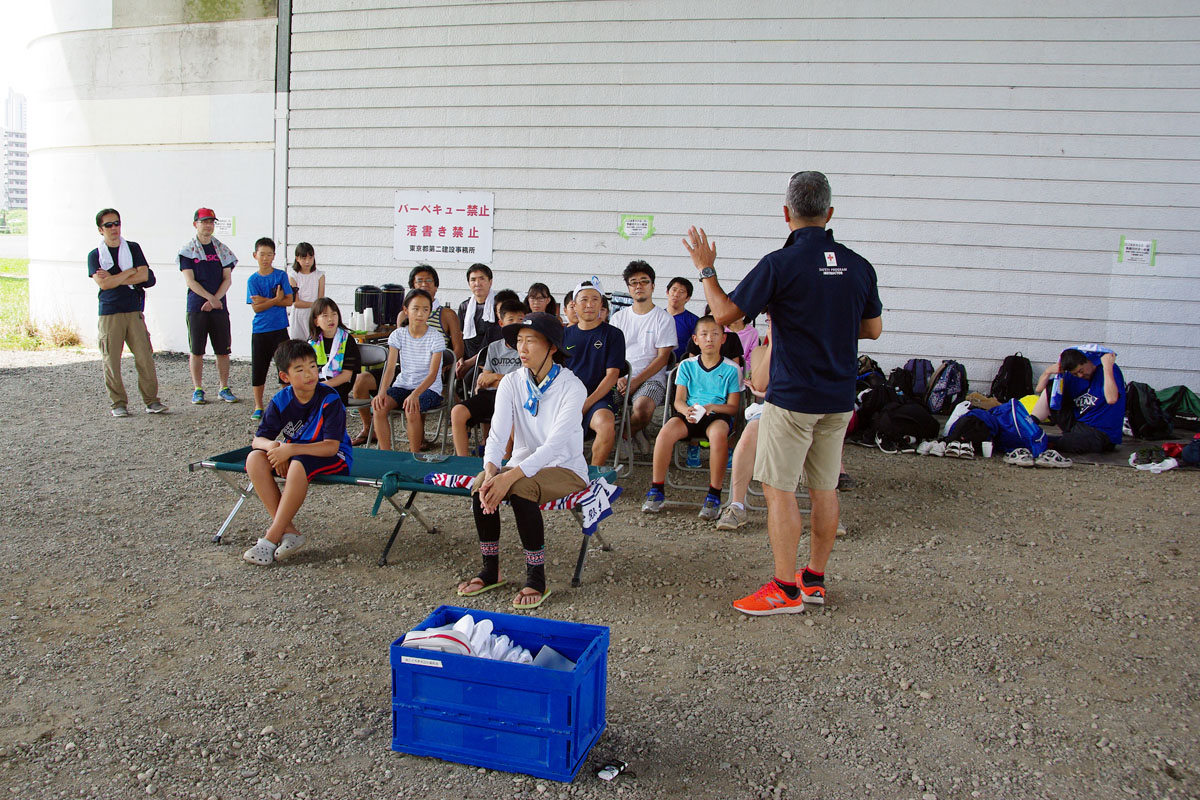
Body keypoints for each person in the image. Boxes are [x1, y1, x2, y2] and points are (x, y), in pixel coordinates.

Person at [683, 170, 882, 615]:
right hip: (838, 397)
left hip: (792, 397)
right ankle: (814, 580)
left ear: (786, 213)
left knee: (779, 490)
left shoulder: (780, 263)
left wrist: (706, 269)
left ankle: (785, 588)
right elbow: (872, 328)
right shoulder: (858, 265)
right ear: (829, 213)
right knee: (825, 488)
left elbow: (727, 316)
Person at [455, 312, 588, 611]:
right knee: (481, 485)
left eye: (531, 341)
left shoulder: (572, 387)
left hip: (566, 467)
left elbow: (554, 447)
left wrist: (509, 476)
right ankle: (491, 570)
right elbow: (498, 435)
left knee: (520, 488)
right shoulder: (512, 382)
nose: (522, 349)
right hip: (524, 464)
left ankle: (536, 577)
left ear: (552, 347)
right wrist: (491, 470)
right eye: (519, 341)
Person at [242, 340, 353, 566]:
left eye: (313, 366)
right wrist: (275, 448)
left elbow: (331, 446)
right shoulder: (281, 399)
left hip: (334, 456)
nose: (310, 374)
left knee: (298, 463)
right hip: (295, 454)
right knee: (255, 458)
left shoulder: (329, 398)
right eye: (300, 370)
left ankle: (272, 536)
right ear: (285, 377)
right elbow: (258, 440)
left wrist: (290, 450)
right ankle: (289, 531)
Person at [642, 316, 741, 520]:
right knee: (665, 434)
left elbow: (733, 407)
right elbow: (678, 400)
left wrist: (712, 407)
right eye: (704, 335)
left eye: (715, 334)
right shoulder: (687, 365)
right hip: (690, 413)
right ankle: (656, 490)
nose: (709, 339)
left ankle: (714, 494)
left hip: (717, 415)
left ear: (723, 338)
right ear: (695, 339)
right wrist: (686, 410)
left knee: (718, 436)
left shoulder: (732, 369)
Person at [86, 208, 167, 416]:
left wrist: (117, 278)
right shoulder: (95, 256)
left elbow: (144, 275)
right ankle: (118, 404)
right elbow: (103, 285)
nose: (114, 228)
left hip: (133, 310)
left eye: (117, 223)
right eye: (108, 225)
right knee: (111, 360)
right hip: (110, 313)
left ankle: (152, 401)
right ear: (100, 229)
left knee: (145, 357)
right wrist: (130, 272)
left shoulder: (133, 248)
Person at [610, 260, 677, 455]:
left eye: (644, 281)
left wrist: (636, 380)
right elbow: (612, 354)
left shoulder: (663, 319)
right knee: (600, 405)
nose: (639, 286)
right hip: (619, 379)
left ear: (653, 286)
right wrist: (618, 379)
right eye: (633, 282)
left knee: (643, 409)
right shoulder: (618, 318)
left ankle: (622, 435)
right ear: (629, 288)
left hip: (650, 380)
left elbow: (663, 358)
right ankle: (635, 432)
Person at [562, 278, 626, 467]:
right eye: (584, 300)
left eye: (595, 300)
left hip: (600, 397)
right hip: (567, 397)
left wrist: (585, 404)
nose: (589, 305)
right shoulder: (563, 335)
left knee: (606, 426)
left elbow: (612, 376)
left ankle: (593, 476)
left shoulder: (613, 335)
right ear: (573, 305)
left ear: (601, 304)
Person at [451, 299, 526, 456]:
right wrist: (494, 379)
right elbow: (485, 377)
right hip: (490, 395)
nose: (516, 323)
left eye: (520, 319)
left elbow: (523, 381)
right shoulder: (494, 347)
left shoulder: (527, 348)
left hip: (514, 398)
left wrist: (496, 377)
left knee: (507, 420)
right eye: (510, 320)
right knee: (457, 411)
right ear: (501, 323)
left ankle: (503, 465)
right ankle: (462, 462)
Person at [179, 207, 237, 405]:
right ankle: (198, 388)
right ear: (196, 224)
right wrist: (209, 298)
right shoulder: (187, 251)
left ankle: (224, 386)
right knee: (197, 350)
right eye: (204, 221)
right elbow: (190, 281)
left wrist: (216, 300)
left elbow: (227, 278)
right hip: (197, 306)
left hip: (218, 306)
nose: (208, 225)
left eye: (211, 221)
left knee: (222, 349)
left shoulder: (222, 249)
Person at [373, 289, 444, 451]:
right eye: (415, 309)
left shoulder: (435, 337)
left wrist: (415, 394)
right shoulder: (398, 335)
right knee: (379, 406)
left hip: (429, 389)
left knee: (412, 408)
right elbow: (390, 368)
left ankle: (414, 454)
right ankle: (386, 454)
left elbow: (433, 374)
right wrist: (382, 392)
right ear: (406, 310)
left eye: (425, 309)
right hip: (403, 385)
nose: (420, 314)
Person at [1031, 347, 1125, 455]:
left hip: (1100, 432)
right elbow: (1040, 389)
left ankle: (1041, 440)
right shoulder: (1073, 376)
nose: (1080, 375)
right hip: (1077, 424)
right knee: (1053, 388)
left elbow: (1112, 399)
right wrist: (1047, 372)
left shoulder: (1108, 370)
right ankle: (1030, 425)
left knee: (1071, 443)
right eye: (1075, 374)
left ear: (1088, 360)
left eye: (1081, 371)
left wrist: (1108, 367)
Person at [246, 237, 294, 421]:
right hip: (260, 329)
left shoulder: (280, 275)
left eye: (269, 254)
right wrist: (275, 300)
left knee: (284, 365)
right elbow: (256, 307)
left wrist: (265, 301)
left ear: (274, 256)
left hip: (280, 327)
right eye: (262, 254)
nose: (265, 258)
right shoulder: (253, 279)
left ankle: (286, 402)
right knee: (259, 367)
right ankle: (258, 405)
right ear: (255, 255)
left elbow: (289, 300)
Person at [308, 297, 360, 405]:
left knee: (321, 398)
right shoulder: (312, 342)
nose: (330, 319)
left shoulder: (347, 340)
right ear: (316, 321)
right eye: (325, 316)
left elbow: (346, 376)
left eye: (334, 314)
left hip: (339, 386)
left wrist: (323, 385)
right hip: (316, 383)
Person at [456, 263, 495, 381]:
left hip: (489, 358)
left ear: (490, 281)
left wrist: (470, 363)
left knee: (469, 379)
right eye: (473, 280)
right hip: (467, 357)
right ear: (469, 283)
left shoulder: (497, 306)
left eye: (481, 279)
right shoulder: (464, 307)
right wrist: (460, 359)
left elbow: (495, 342)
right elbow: (460, 335)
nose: (477, 283)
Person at [287, 242, 324, 340]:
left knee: (314, 341)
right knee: (297, 344)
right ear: (297, 258)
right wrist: (314, 304)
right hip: (298, 315)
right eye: (304, 258)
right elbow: (296, 303)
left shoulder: (319, 275)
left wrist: (315, 306)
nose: (307, 261)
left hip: (313, 314)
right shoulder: (294, 276)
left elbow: (320, 299)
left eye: (310, 258)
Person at [666, 276, 699, 362]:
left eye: (682, 292)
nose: (676, 294)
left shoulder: (694, 321)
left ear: (687, 298)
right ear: (667, 292)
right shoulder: (656, 316)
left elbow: (696, 348)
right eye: (674, 290)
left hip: (680, 366)